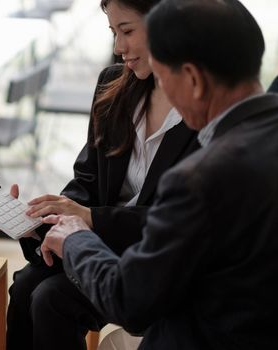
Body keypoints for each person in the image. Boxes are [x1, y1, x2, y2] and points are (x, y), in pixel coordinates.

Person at [40, 0, 278, 348]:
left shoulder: (199, 179)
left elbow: (129, 301)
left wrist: (77, 236)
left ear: (193, 79)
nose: (162, 91)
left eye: (165, 79)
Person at [0, 1, 200, 348]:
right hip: (98, 241)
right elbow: (87, 181)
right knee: (24, 286)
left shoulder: (203, 110)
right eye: (113, 33)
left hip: (159, 261)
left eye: (127, 31)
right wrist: (38, 218)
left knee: (50, 299)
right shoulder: (114, 84)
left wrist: (89, 219)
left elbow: (178, 223)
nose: (118, 48)